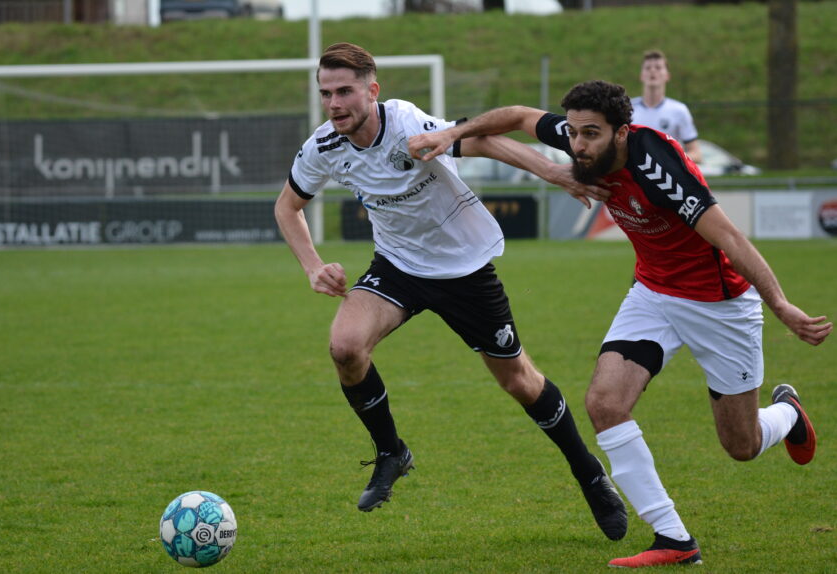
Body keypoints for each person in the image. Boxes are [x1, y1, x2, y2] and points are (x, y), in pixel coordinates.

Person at [408, 79, 832, 568]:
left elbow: (731, 238)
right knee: (604, 403)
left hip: (720, 304)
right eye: (573, 133)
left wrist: (780, 305)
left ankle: (788, 415)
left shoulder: (658, 168)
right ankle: (674, 538)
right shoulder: (581, 139)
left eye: (591, 134)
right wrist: (451, 133)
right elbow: (521, 116)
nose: (578, 145)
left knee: (742, 445)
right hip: (653, 293)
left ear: (622, 133)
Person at [273, 43, 627, 540]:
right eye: (326, 93)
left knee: (520, 382)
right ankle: (391, 452)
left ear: (372, 91)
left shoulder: (406, 126)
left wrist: (550, 170)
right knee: (345, 346)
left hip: (463, 269)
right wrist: (312, 266)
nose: (334, 104)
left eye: (345, 91)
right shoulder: (323, 146)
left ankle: (589, 474)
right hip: (397, 265)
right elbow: (287, 207)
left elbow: (481, 141)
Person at [631, 50, 702, 164]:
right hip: (634, 173)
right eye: (648, 68)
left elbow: (696, 154)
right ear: (641, 76)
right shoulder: (628, 108)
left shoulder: (679, 110)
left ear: (667, 76)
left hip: (665, 174)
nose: (652, 70)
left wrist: (669, 159)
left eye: (658, 67)